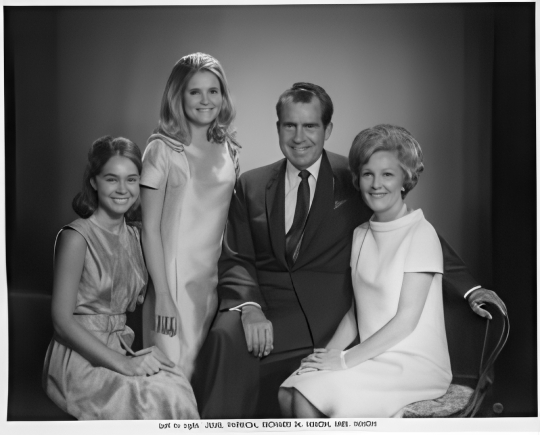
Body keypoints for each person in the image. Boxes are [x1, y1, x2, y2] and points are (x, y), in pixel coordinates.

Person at [191, 82, 507, 419]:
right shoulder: (252, 184)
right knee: (226, 339)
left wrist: (470, 288)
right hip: (272, 309)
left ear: (328, 129)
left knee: (308, 395)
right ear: (278, 127)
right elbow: (237, 256)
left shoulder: (353, 176)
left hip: (331, 314)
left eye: (310, 125)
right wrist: (249, 307)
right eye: (290, 125)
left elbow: (411, 234)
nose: (299, 137)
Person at [279, 124, 452, 417]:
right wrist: (325, 356)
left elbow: (405, 322)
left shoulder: (421, 233)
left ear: (405, 179)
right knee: (290, 391)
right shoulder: (361, 234)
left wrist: (344, 361)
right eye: (368, 174)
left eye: (387, 174)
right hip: (374, 356)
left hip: (413, 363)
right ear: (358, 179)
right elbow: (355, 313)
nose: (376, 184)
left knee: (306, 398)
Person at [42, 136, 199, 420]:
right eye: (112, 179)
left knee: (177, 385)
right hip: (78, 359)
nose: (123, 189)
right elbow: (61, 322)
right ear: (94, 182)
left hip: (122, 348)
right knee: (156, 399)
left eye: (131, 180)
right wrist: (122, 365)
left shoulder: (138, 237)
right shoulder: (76, 237)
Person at [140, 52, 239, 381]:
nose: (206, 100)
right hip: (173, 286)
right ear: (177, 95)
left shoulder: (228, 148)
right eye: (195, 91)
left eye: (214, 90)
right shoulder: (161, 150)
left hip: (210, 285)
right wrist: (164, 297)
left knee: (200, 383)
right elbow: (149, 230)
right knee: (170, 383)